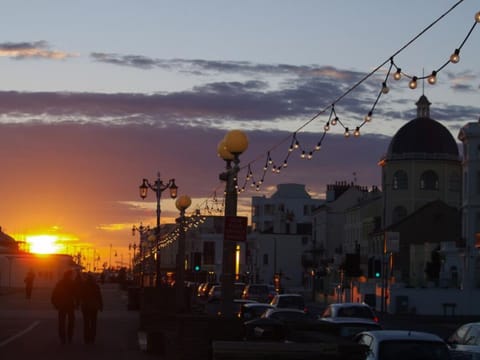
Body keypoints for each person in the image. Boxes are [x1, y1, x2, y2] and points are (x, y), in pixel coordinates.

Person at [51, 269, 77, 344]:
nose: (72, 276)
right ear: (69, 275)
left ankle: (63, 338)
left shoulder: (60, 283)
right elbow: (77, 294)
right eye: (71, 275)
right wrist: (77, 303)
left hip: (61, 305)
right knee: (71, 322)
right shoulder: (72, 283)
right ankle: (69, 337)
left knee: (61, 322)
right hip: (70, 305)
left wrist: (55, 304)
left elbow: (54, 294)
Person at [79, 273, 103, 344]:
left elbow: (81, 296)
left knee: (86, 323)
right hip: (93, 306)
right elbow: (99, 297)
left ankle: (86, 338)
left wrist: (79, 304)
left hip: (85, 306)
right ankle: (92, 338)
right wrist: (101, 305)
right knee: (93, 322)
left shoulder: (83, 286)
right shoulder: (96, 286)